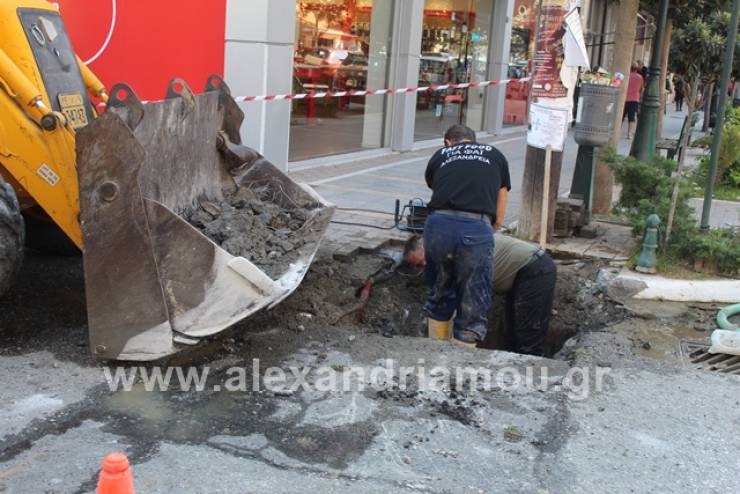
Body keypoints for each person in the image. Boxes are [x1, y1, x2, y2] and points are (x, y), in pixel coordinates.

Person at [423, 124, 511, 347]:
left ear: (448, 142)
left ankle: (435, 350)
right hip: (475, 227)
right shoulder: (495, 155)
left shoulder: (441, 154)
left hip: (438, 226)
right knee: (473, 299)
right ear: (474, 140)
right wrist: (492, 227)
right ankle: (461, 364)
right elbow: (502, 196)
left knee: (440, 292)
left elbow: (438, 186)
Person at [490, 234, 556, 356]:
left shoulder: (459, 252)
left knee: (529, 338)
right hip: (517, 269)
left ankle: (532, 371)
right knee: (512, 333)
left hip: (536, 268)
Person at [623, 63, 644, 139]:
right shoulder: (640, 77)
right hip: (634, 99)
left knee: (621, 117)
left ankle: (617, 132)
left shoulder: (626, 76)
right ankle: (629, 134)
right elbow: (641, 89)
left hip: (624, 99)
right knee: (631, 118)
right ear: (637, 69)